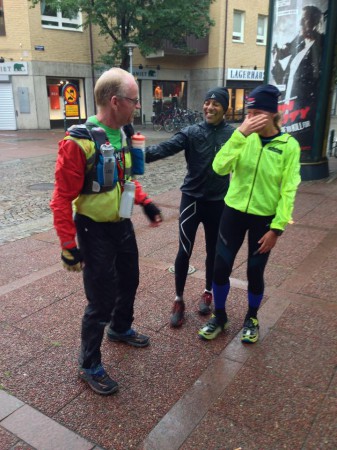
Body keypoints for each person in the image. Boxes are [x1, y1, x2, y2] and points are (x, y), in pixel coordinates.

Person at [50, 68, 162, 396]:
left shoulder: (123, 135)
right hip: (93, 229)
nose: (137, 106)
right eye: (133, 100)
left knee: (130, 279)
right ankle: (89, 364)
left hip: (122, 223)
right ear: (115, 102)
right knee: (100, 299)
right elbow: (61, 199)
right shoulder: (78, 143)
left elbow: (126, 179)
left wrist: (145, 202)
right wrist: (68, 245)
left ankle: (121, 328)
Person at [198, 84, 301, 343]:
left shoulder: (289, 146)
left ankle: (251, 317)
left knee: (255, 272)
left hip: (263, 219)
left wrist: (277, 228)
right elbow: (219, 167)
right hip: (233, 212)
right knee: (220, 269)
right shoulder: (242, 138)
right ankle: (220, 316)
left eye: (256, 113)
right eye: (248, 112)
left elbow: (289, 190)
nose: (250, 118)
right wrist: (239, 136)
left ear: (272, 114)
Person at [145, 87, 235, 327]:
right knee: (184, 250)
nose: (210, 107)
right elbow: (165, 148)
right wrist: (137, 156)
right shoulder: (191, 132)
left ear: (224, 108)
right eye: (207, 103)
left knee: (213, 252)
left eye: (216, 104)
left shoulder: (233, 135)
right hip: (192, 200)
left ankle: (208, 292)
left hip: (218, 202)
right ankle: (179, 299)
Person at [271, 5, 324, 104]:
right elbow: (284, 81)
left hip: (304, 110)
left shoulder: (321, 46)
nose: (300, 23)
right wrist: (275, 61)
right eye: (300, 19)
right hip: (289, 108)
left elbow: (315, 84)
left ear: (315, 22)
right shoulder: (299, 45)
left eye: (305, 19)